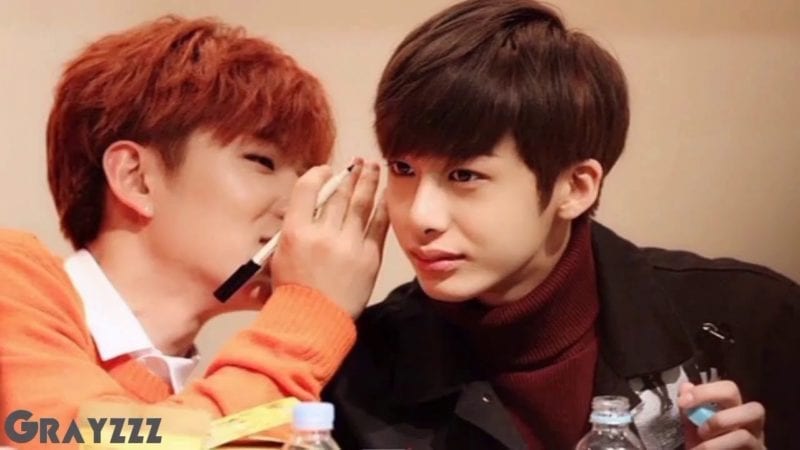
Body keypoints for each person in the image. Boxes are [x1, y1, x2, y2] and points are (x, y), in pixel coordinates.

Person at [324, 1, 799, 449]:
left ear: (575, 187)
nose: (420, 216)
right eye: (403, 169)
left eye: (464, 176)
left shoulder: (751, 320)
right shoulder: (362, 372)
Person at [0, 15, 388, 449]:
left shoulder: (199, 408)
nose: (300, 203)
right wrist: (309, 316)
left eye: (307, 176)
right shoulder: (10, 280)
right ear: (136, 178)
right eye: (262, 161)